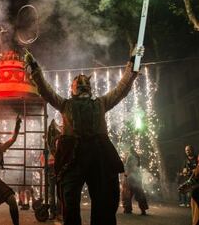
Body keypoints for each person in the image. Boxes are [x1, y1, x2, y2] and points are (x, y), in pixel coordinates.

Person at [25, 48, 140, 225]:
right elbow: (46, 91)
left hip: (98, 158)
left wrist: (134, 62)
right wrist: (34, 68)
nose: (81, 82)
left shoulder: (100, 103)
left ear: (89, 87)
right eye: (77, 82)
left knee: (102, 206)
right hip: (73, 159)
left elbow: (121, 89)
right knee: (70, 206)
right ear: (72, 88)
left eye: (84, 81)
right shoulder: (66, 105)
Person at [121, 147, 148, 215]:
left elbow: (127, 166)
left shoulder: (130, 156)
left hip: (130, 177)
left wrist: (126, 174)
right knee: (140, 193)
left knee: (127, 194)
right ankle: (143, 209)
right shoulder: (136, 156)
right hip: (137, 177)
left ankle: (127, 209)